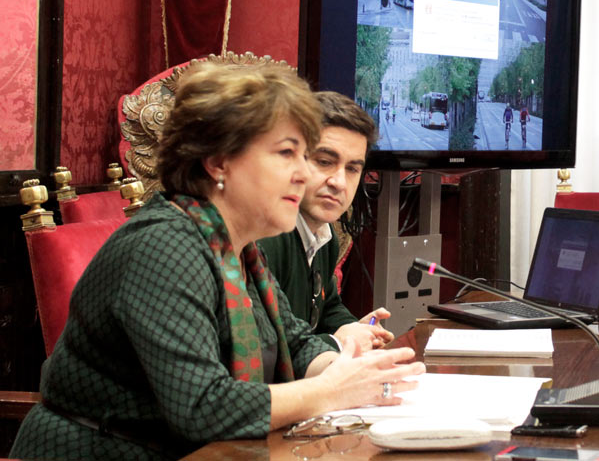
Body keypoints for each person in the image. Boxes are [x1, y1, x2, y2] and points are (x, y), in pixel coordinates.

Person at [10, 63, 424, 461]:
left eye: (304, 156)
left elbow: (295, 343)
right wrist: (331, 391)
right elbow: (202, 407)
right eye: (286, 153)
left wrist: (356, 374)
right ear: (218, 162)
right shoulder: (164, 246)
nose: (303, 174)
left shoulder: (235, 246)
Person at [258, 92, 393, 351]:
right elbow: (268, 350)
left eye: (352, 169)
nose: (339, 182)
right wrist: (338, 343)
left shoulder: (325, 235)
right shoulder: (266, 235)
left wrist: (359, 331)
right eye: (324, 162)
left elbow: (328, 305)